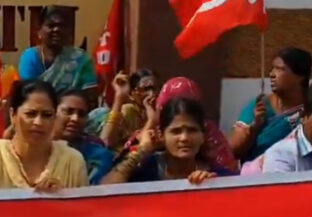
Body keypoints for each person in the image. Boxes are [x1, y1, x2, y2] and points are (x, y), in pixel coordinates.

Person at [102, 97, 235, 184]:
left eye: (192, 130)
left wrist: (212, 186)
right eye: (176, 131)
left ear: (203, 136)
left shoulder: (217, 175)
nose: (184, 138)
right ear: (161, 135)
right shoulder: (147, 170)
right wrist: (141, 150)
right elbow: (105, 190)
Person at [230, 47, 311, 162]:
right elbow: (233, 151)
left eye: (280, 69)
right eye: (272, 69)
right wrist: (255, 127)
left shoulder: (308, 109)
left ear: (300, 76)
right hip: (256, 172)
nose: (272, 74)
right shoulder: (259, 106)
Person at [18, 6, 97, 97]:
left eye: (62, 26)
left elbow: (90, 95)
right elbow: (29, 95)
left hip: (73, 105)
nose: (56, 30)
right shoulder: (30, 57)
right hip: (39, 104)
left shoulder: (81, 59)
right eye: (51, 25)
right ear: (39, 32)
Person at [55, 89, 113, 185]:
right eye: (68, 111)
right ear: (52, 113)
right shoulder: (35, 148)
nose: (75, 118)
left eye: (81, 114)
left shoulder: (97, 155)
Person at [99, 70, 158, 150]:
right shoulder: (128, 110)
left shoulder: (157, 110)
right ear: (132, 93)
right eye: (146, 89)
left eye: (155, 89)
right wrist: (119, 95)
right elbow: (107, 142)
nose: (152, 94)